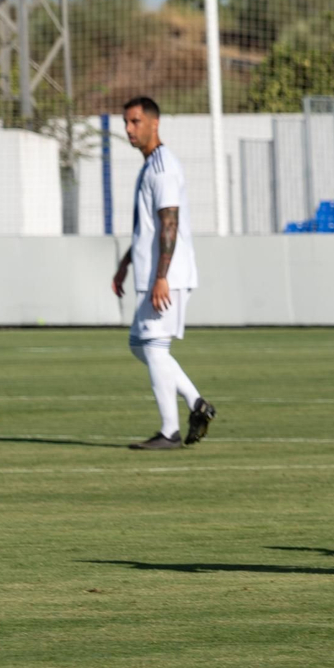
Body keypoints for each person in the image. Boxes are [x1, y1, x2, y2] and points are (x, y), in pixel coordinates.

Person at [111, 96, 214, 451]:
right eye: (126, 122)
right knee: (140, 345)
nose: (128, 129)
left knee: (154, 348)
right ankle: (197, 403)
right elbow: (152, 228)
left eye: (135, 121)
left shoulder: (163, 167)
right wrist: (126, 263)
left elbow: (170, 222)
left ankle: (169, 430)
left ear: (154, 123)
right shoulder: (150, 164)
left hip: (167, 275)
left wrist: (161, 277)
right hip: (153, 272)